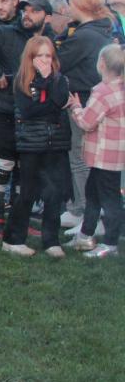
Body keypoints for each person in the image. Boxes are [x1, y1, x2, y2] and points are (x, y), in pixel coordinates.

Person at [0, 0, 57, 238]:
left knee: (25, 169)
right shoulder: (6, 33)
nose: (27, 15)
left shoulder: (49, 41)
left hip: (33, 112)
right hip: (4, 108)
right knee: (3, 164)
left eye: (35, 11)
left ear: (47, 17)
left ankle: (20, 221)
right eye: (26, 10)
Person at [1, 36, 72, 258]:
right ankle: (13, 239)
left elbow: (59, 101)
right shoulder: (22, 80)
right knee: (28, 193)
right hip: (31, 144)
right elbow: (29, 111)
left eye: (48, 56)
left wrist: (49, 82)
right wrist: (51, 102)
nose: (44, 60)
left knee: (54, 193)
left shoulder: (60, 79)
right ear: (30, 57)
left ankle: (51, 240)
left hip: (56, 143)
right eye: (39, 55)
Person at [53, 0, 116, 229]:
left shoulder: (84, 36)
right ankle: (81, 209)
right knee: (82, 157)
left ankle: (89, 214)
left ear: (79, 5)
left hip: (83, 101)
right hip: (91, 99)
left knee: (81, 158)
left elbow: (58, 62)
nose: (67, 9)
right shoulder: (99, 30)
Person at [66, 44, 125, 258]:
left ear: (101, 64)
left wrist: (76, 107)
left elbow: (87, 122)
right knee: (94, 195)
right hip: (115, 155)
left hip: (103, 156)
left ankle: (110, 244)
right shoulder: (120, 88)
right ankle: (85, 235)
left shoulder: (103, 91)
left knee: (108, 200)